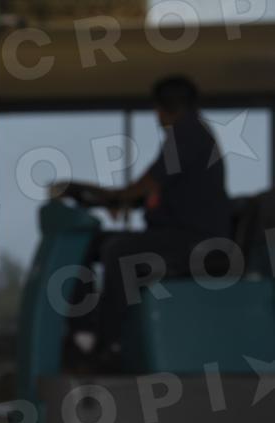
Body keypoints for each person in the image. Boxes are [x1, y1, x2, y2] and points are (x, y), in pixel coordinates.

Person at [58, 75, 232, 368]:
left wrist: (111, 196)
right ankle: (84, 332)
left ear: (162, 109)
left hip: (196, 240)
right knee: (93, 243)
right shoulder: (190, 135)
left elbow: (145, 184)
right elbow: (154, 190)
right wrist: (116, 199)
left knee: (119, 251)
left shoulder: (188, 134)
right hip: (180, 235)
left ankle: (110, 345)